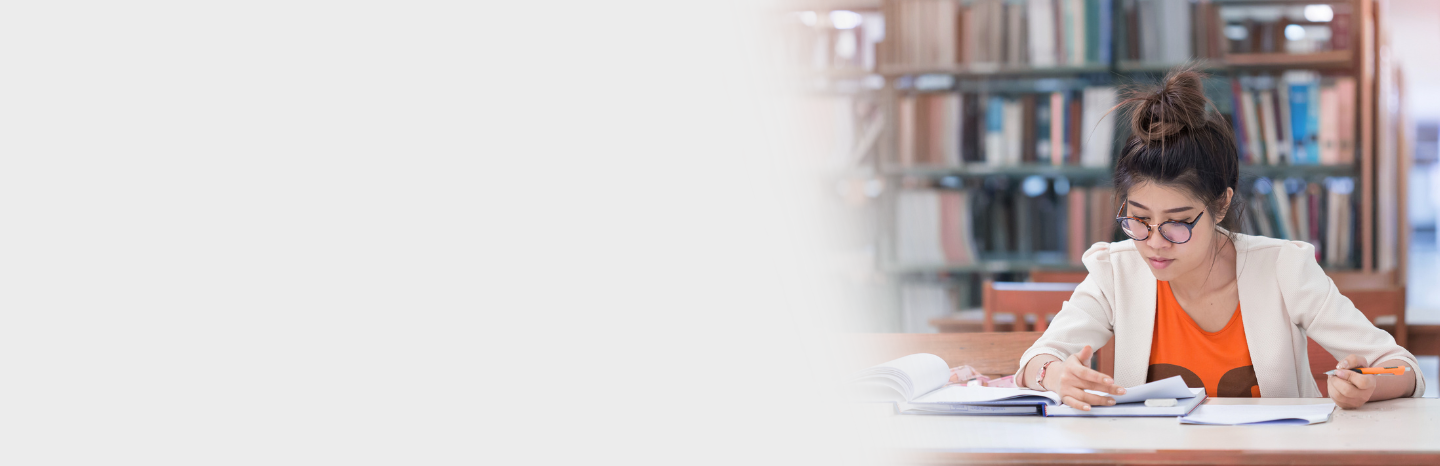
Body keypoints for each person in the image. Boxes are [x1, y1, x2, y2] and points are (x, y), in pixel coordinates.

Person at [1014, 68, 1423, 410]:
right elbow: (1036, 360)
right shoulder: (1115, 272)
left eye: (1177, 223)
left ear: (1221, 205)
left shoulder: (1282, 269)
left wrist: (1368, 386)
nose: (1154, 242)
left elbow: (1402, 367)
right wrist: (1056, 375)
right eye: (1138, 219)